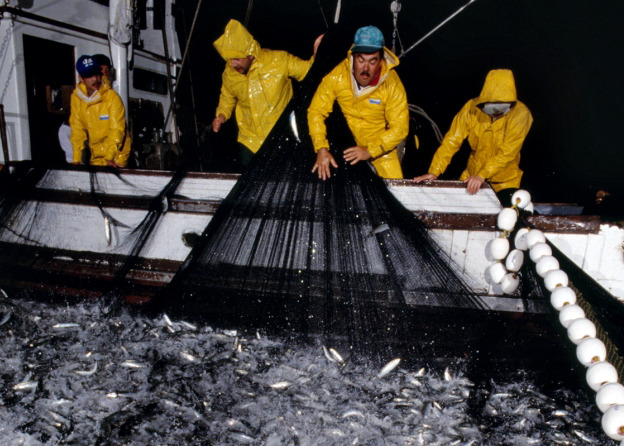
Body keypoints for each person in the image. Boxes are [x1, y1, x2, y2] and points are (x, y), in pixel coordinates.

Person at [413, 69, 533, 204]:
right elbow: (452, 141)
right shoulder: (471, 108)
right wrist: (434, 171)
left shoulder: (521, 114)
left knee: (508, 213)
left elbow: (508, 153)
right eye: (492, 109)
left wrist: (482, 175)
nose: (497, 114)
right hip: (471, 178)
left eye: (502, 110)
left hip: (504, 181)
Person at [212, 19, 323, 165]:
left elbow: (308, 71)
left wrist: (317, 56)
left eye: (237, 59)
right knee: (250, 182)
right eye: (230, 60)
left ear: (251, 54)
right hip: (249, 141)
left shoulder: (279, 60)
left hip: (280, 139)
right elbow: (227, 98)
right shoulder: (229, 73)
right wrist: (221, 115)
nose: (233, 64)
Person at [308, 25, 409, 180]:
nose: (365, 68)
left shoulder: (392, 84)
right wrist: (321, 148)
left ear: (381, 60)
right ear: (353, 57)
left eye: (372, 61)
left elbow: (400, 128)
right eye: (361, 60)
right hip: (346, 149)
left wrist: (369, 151)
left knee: (395, 191)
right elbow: (316, 111)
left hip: (381, 151)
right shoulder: (338, 76)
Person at [69, 55, 131, 167]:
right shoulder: (76, 98)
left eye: (97, 73)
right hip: (96, 156)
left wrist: (110, 156)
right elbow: (77, 131)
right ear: (81, 78)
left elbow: (117, 129)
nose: (95, 79)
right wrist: (76, 161)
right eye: (89, 76)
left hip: (117, 156)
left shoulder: (112, 97)